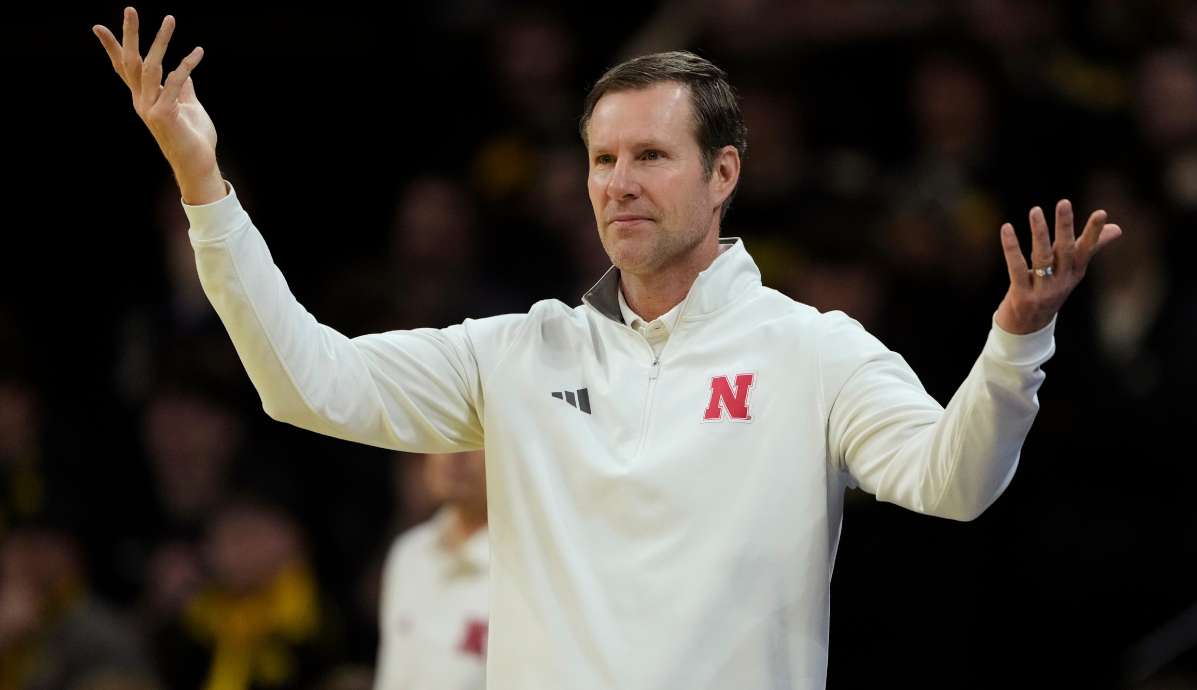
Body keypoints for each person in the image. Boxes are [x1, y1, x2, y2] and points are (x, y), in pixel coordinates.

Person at [93, 8, 1123, 689]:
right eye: (600, 159)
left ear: (723, 174)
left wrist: (1013, 349)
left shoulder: (814, 352)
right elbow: (303, 381)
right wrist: (203, 184)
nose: (618, 182)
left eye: (649, 157)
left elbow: (955, 481)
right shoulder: (520, 351)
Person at [375, 450, 489, 690]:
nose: (455, 453)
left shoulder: (528, 568)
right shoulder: (409, 553)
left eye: (478, 439)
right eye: (444, 426)